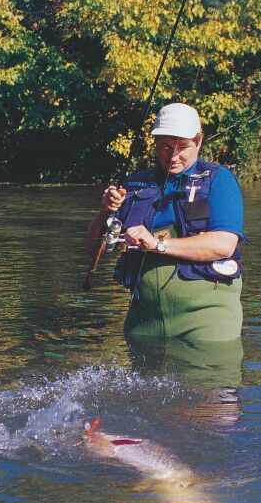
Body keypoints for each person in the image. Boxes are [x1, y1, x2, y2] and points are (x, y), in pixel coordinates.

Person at [87, 102, 244, 344]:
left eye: (182, 147)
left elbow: (224, 245)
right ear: (155, 144)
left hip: (206, 320)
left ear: (199, 141)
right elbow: (93, 248)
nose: (172, 156)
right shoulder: (135, 184)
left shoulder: (218, 180)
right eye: (165, 147)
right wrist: (104, 212)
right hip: (143, 322)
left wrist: (158, 244)